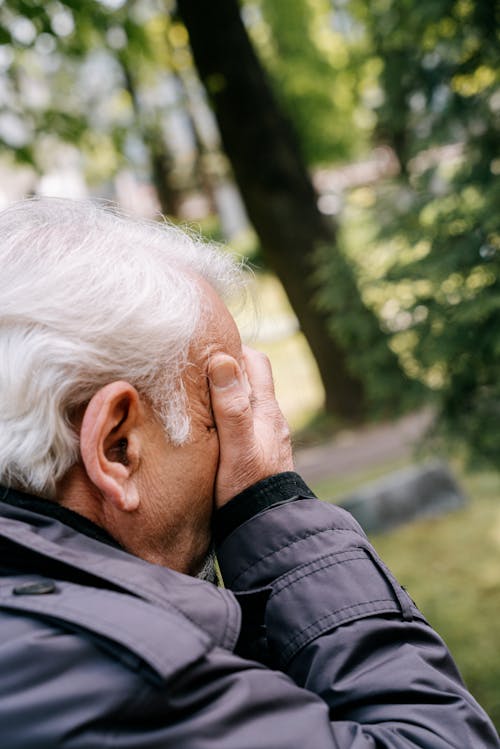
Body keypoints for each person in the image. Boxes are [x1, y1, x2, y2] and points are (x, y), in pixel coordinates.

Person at [0, 197, 497, 749]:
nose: (256, 435)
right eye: (223, 412)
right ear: (118, 448)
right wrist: (272, 504)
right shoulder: (124, 684)